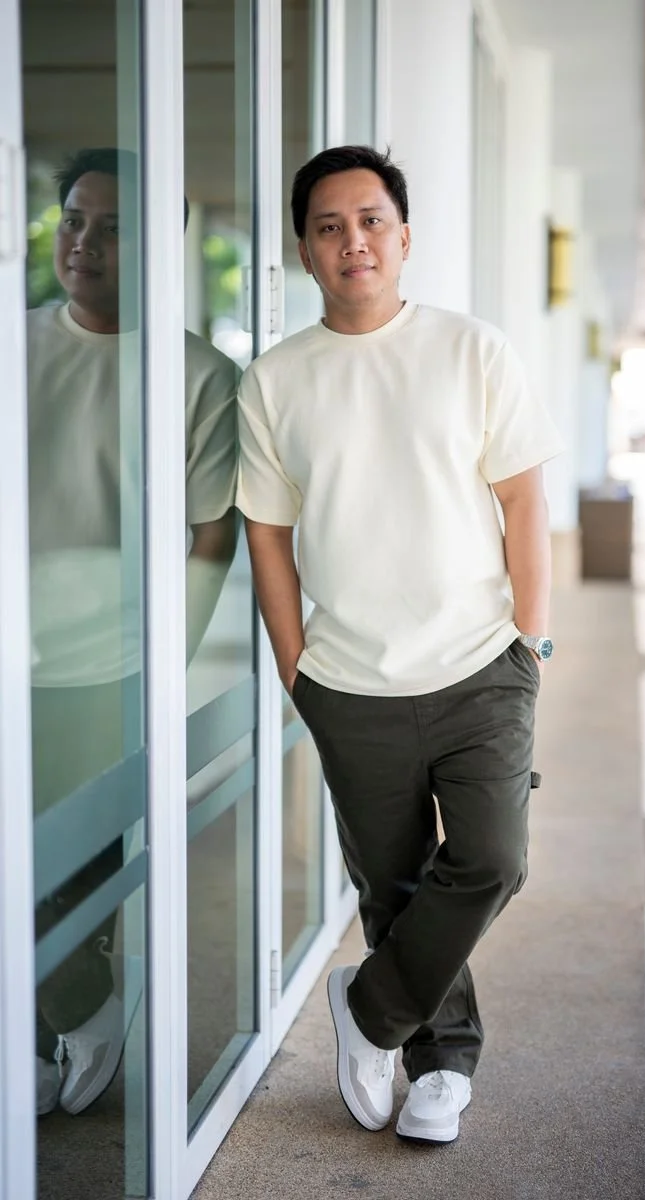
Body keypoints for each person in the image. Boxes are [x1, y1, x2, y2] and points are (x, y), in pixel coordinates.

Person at [236, 144, 563, 1144]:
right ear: (303, 248)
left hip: (479, 664)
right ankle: (438, 1064)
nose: (352, 242)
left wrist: (529, 642)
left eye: (370, 221)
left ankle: (367, 1009)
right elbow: (267, 535)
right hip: (348, 680)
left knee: (492, 859)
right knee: (394, 885)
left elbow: (522, 502)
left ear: (405, 237)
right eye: (328, 226)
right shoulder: (275, 381)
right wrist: (297, 672)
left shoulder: (472, 351)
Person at [29, 147, 239, 1116]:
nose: (85, 241)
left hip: (109, 668)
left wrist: (165, 665)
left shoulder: (195, 376)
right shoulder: (13, 345)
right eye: (75, 218)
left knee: (74, 870)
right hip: (10, 659)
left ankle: (79, 1012)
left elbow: (210, 536)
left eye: (113, 227)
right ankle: (66, 1017)